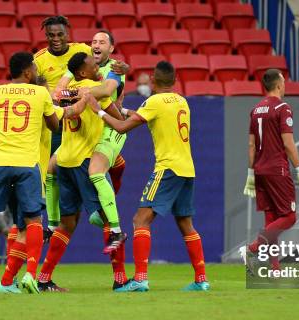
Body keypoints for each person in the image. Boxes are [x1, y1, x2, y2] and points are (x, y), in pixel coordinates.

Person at [0, 51, 88, 294]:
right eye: (34, 69)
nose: (36, 72)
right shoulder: (39, 94)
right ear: (27, 72)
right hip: (27, 164)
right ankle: (30, 275)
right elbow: (54, 125)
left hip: (0, 161)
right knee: (33, 220)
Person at [86, 61, 209, 292]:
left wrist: (99, 111)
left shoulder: (153, 102)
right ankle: (201, 280)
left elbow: (122, 128)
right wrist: (119, 109)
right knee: (186, 224)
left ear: (153, 80)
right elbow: (142, 116)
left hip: (167, 168)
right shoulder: (181, 101)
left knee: (140, 220)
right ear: (174, 81)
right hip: (187, 169)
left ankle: (140, 278)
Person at [37, 52, 127, 291]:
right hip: (86, 161)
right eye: (91, 61)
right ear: (83, 72)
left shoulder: (67, 91)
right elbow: (118, 121)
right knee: (110, 220)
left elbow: (61, 94)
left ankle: (44, 279)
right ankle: (120, 281)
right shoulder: (92, 88)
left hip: (64, 160)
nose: (95, 62)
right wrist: (121, 105)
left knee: (67, 224)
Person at [36, 18, 128, 238]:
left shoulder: (110, 71)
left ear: (111, 48)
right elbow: (115, 114)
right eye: (94, 41)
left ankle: (55, 225)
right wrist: (118, 113)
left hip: (92, 140)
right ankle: (112, 226)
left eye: (101, 42)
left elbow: (64, 95)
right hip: (78, 144)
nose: (95, 46)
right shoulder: (89, 84)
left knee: (90, 173)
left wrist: (69, 99)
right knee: (56, 172)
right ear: (84, 71)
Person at [239, 69, 299, 272]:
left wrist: (251, 174)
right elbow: (288, 143)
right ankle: (252, 249)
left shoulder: (255, 110)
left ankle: (275, 268)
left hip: (260, 169)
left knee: (271, 219)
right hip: (277, 168)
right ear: (278, 85)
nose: (285, 85)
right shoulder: (283, 108)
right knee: (289, 217)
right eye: (284, 81)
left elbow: (251, 145)